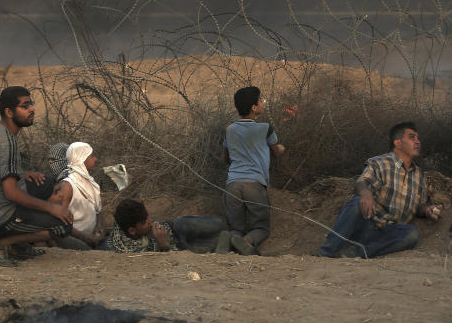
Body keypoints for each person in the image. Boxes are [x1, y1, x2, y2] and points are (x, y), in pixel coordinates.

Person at [0, 86, 74, 266]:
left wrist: (23, 174)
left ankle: (20, 247)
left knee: (45, 184)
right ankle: (1, 243)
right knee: (63, 225)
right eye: (25, 106)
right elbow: (11, 193)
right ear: (9, 112)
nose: (32, 109)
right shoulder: (6, 142)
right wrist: (52, 208)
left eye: (31, 104)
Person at [317, 122, 440, 259]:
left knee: (412, 234)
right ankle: (327, 252)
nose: (417, 141)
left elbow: (418, 206)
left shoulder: (420, 176)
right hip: (367, 224)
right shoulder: (380, 163)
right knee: (357, 203)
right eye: (412, 137)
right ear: (398, 143)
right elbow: (361, 182)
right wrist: (365, 194)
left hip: (389, 232)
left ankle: (352, 254)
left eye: (418, 138)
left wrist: (427, 210)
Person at [221, 86, 286, 256]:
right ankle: (247, 242)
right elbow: (276, 151)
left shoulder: (230, 130)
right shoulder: (265, 128)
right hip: (254, 185)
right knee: (261, 228)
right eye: (260, 100)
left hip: (232, 185)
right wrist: (281, 148)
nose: (262, 102)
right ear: (254, 108)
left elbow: (225, 158)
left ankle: (229, 240)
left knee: (235, 227)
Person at [102, 199, 233, 254]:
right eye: (144, 221)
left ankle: (228, 238)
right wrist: (164, 246)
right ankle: (230, 239)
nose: (151, 221)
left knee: (217, 224)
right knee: (212, 244)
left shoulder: (122, 231)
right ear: (132, 230)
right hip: (180, 247)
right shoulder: (125, 249)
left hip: (177, 229)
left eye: (147, 217)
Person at [52, 142, 104, 250]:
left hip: (90, 237)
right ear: (82, 158)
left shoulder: (91, 183)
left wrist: (99, 226)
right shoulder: (67, 186)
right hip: (74, 239)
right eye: (92, 156)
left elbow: (98, 210)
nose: (96, 159)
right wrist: (82, 236)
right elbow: (58, 222)